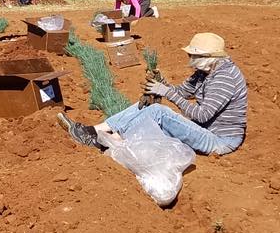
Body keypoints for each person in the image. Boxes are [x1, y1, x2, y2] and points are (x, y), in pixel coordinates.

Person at [58, 33, 247, 156]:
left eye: (193, 56)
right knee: (148, 110)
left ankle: (107, 139)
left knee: (159, 112)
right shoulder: (205, 71)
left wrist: (165, 92)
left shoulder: (224, 78)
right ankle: (95, 132)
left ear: (208, 57)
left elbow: (201, 115)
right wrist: (161, 82)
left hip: (218, 141)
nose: (189, 60)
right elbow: (182, 92)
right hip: (203, 129)